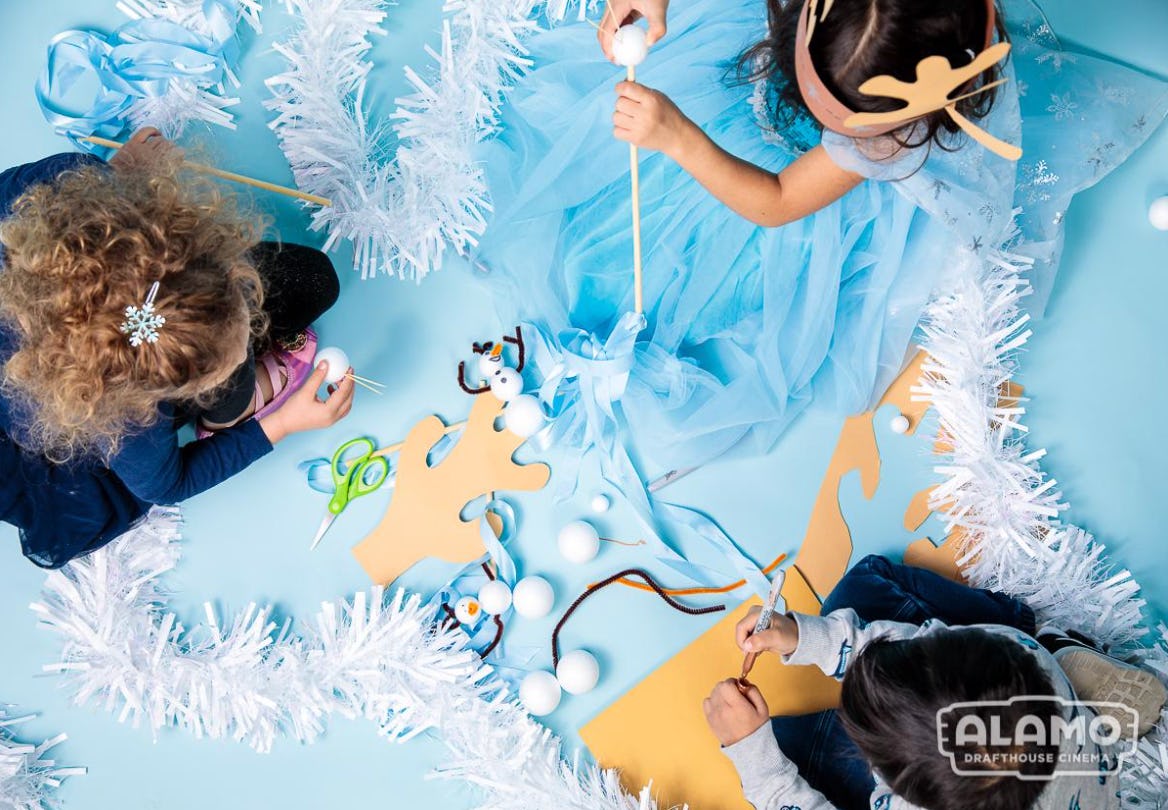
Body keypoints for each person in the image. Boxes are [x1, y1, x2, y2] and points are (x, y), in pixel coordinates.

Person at [474, 0, 1168, 478]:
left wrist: (681, 141)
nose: (815, 109)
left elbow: (776, 201)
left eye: (836, 116)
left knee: (712, 282)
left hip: (770, 176)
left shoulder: (893, 136)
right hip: (746, 56)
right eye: (814, 89)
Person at [0, 128, 355, 568]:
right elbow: (169, 484)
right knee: (251, 365)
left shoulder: (64, 185)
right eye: (223, 368)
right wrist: (281, 424)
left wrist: (119, 175)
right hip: (49, 406)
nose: (250, 342)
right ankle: (223, 411)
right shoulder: (128, 425)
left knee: (314, 279)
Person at [703, 555, 1168, 810]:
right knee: (866, 587)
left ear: (894, 786)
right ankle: (1054, 647)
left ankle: (1066, 665)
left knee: (779, 744)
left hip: (1050, 734)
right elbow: (921, 654)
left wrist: (754, 756)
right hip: (1068, 748)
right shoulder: (1009, 652)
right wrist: (800, 636)